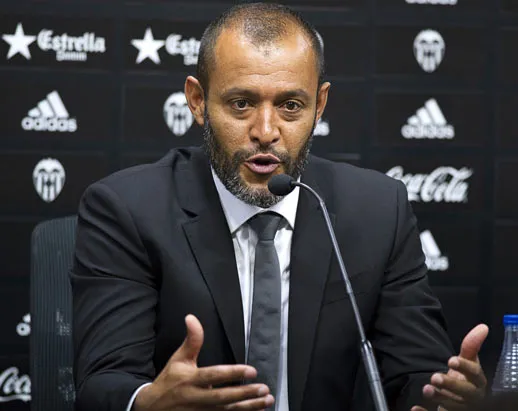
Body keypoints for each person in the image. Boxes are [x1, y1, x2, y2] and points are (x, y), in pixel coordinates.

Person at [70, 3, 489, 411]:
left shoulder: (378, 211)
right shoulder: (128, 210)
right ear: (197, 101)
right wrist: (148, 402)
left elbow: (416, 374)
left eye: (291, 106)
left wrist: (441, 398)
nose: (266, 131)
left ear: (319, 106)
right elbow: (104, 381)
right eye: (241, 104)